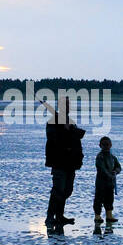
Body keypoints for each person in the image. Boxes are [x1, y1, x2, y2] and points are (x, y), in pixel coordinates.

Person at [42, 95, 85, 229]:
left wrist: (70, 129)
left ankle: (59, 216)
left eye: (68, 105)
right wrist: (64, 129)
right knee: (58, 190)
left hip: (71, 162)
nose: (67, 107)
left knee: (67, 190)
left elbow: (78, 136)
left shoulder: (70, 121)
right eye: (65, 105)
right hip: (59, 161)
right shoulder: (52, 121)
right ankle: (50, 217)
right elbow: (53, 140)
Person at [93, 135, 121, 225]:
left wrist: (115, 171)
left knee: (110, 198)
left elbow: (119, 167)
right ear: (100, 145)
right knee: (99, 199)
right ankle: (97, 215)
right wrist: (109, 175)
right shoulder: (100, 156)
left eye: (108, 144)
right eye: (104, 144)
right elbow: (101, 168)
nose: (106, 146)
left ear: (111, 145)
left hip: (110, 183)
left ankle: (109, 215)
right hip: (101, 182)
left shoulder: (113, 157)